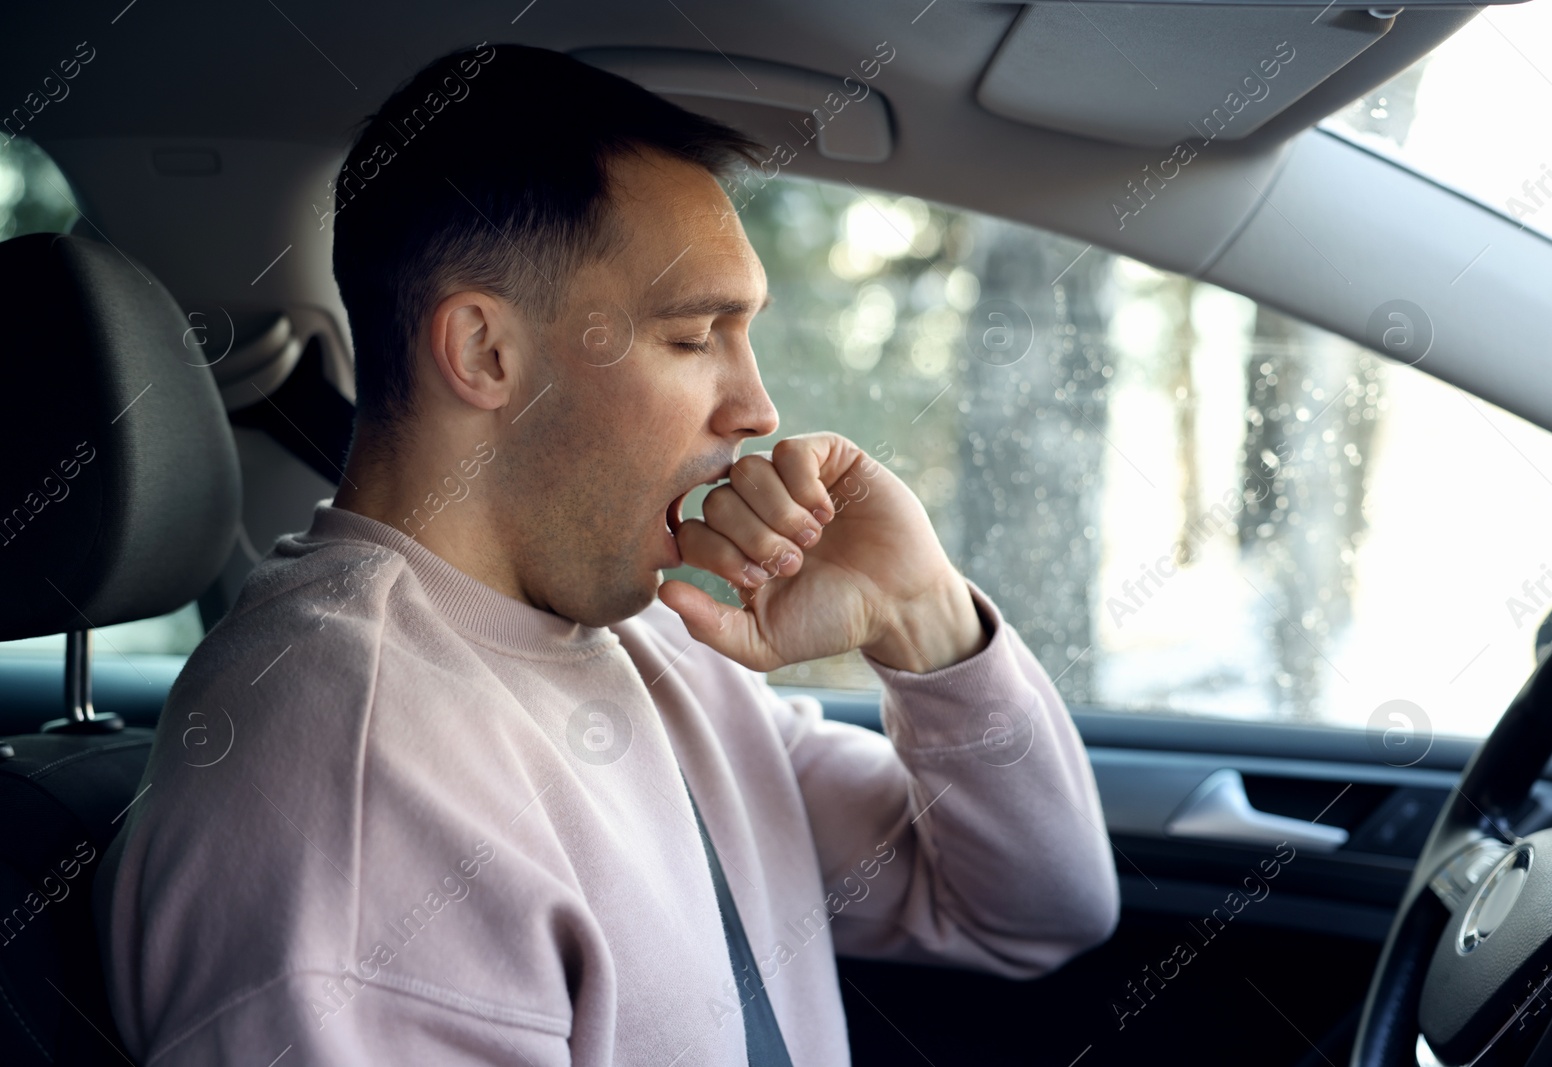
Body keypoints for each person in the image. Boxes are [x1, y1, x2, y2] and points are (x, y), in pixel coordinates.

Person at [97, 43, 1118, 1066]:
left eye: (745, 333)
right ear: (487, 352)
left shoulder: (653, 644)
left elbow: (1029, 910)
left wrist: (921, 616)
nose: (757, 408)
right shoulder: (357, 773)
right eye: (691, 337)